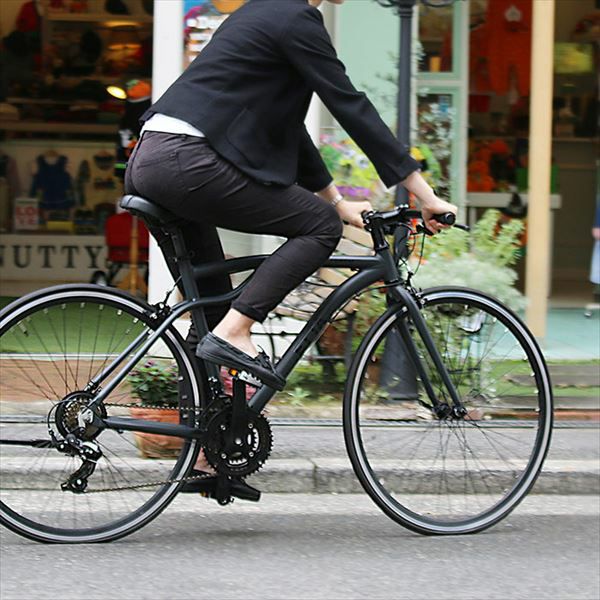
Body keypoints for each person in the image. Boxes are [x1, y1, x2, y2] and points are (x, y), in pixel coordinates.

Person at [125, 0, 456, 392]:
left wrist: (337, 201)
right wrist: (425, 194)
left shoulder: (262, 11)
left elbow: (291, 130)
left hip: (154, 159)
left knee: (211, 311)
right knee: (320, 226)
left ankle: (201, 425)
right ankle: (237, 329)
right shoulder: (296, 17)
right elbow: (351, 106)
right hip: (186, 162)